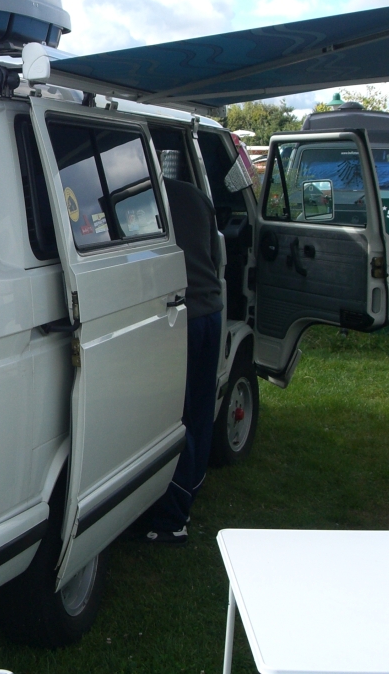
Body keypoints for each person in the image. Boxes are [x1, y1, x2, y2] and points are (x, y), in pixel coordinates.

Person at [139, 176, 224, 544]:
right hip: (211, 311)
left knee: (176, 415)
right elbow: (215, 254)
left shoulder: (142, 198)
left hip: (181, 316)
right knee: (201, 410)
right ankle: (192, 488)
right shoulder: (196, 195)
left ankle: (171, 520)